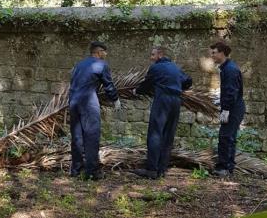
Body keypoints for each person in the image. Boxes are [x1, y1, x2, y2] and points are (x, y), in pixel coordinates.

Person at [133, 46, 192, 179]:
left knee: (155, 133)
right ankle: (162, 169)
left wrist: (137, 91)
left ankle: (152, 170)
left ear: (160, 55)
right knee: (168, 135)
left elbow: (147, 84)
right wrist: (177, 87)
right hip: (176, 101)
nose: (151, 57)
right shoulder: (176, 68)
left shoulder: (155, 68)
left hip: (163, 100)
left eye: (153, 55)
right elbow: (188, 81)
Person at [69, 41, 121, 180]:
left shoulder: (79, 65)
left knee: (77, 137)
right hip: (88, 101)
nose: (106, 54)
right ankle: (92, 171)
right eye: (105, 52)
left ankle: (76, 169)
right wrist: (115, 100)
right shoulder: (101, 65)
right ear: (98, 52)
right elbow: (108, 85)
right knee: (91, 136)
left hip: (73, 101)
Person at [210, 41, 245, 177]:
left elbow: (232, 92)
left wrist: (226, 109)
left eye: (214, 53)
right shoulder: (226, 68)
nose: (212, 56)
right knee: (229, 136)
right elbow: (229, 90)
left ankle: (224, 168)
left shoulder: (230, 69)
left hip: (234, 107)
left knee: (225, 136)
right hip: (234, 106)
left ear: (222, 53)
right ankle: (228, 167)